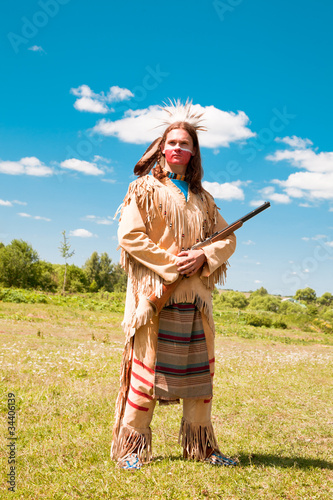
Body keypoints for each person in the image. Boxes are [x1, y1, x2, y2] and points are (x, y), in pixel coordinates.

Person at [111, 101, 237, 470]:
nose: (178, 148)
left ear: (193, 151)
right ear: (162, 148)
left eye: (186, 143)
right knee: (145, 374)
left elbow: (227, 238)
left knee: (200, 380)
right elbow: (130, 235)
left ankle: (201, 447)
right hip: (157, 299)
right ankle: (132, 448)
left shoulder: (204, 199)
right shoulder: (144, 189)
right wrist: (172, 264)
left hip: (195, 300)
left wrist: (203, 257)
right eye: (173, 142)